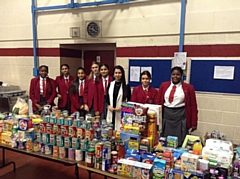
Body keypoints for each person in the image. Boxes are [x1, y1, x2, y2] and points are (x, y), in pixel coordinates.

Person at [156, 66, 198, 146]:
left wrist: (194, 123)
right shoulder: (164, 86)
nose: (175, 76)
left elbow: (193, 106)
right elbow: (158, 102)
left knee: (179, 141)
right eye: (173, 74)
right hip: (166, 116)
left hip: (181, 117)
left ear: (181, 76)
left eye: (178, 74)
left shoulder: (189, 88)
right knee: (164, 140)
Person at [106, 65, 131, 130]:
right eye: (116, 73)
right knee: (110, 130)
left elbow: (129, 101)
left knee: (119, 130)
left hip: (121, 112)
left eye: (119, 73)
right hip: (111, 111)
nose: (117, 75)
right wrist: (108, 106)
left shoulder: (126, 86)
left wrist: (122, 107)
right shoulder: (110, 84)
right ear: (113, 74)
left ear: (122, 74)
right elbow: (107, 98)